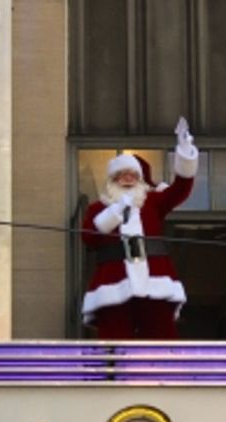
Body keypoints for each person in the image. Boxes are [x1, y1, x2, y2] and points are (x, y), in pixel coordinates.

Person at [81, 118, 198, 339]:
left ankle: (164, 373)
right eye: (123, 174)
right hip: (113, 280)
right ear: (112, 179)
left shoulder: (153, 202)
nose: (128, 178)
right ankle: (114, 373)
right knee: (114, 338)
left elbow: (180, 189)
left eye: (133, 174)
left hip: (155, 277)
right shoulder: (98, 207)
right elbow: (88, 237)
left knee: (161, 336)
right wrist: (115, 212)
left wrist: (184, 150)